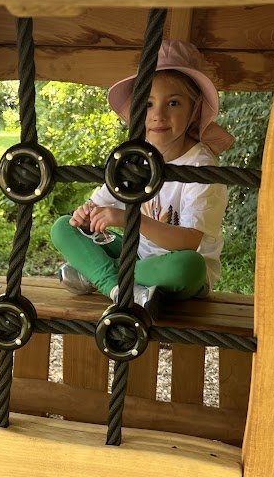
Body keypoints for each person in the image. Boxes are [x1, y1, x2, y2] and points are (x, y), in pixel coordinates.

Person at [51, 39, 233, 307]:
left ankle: (98, 275)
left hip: (174, 266)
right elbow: (99, 205)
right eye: (148, 104)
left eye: (173, 103)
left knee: (189, 267)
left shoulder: (202, 168)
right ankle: (119, 288)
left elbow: (188, 243)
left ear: (194, 110)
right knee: (63, 228)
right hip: (136, 255)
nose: (158, 115)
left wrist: (127, 219)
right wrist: (86, 215)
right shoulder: (136, 158)